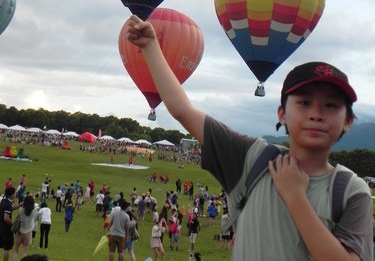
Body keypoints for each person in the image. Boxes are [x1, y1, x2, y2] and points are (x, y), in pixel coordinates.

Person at [125, 15, 373, 260]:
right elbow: (183, 111)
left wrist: (295, 196)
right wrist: (150, 46)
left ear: (348, 120)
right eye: (304, 103)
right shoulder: (253, 157)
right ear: (282, 113)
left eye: (330, 106)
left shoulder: (351, 191)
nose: (316, 114)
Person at [12, 195, 38, 260]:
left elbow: (19, 217)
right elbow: (36, 206)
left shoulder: (21, 209)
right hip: (28, 232)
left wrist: (22, 204)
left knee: (16, 251)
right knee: (24, 251)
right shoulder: (34, 210)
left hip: (20, 231)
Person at [0, 187, 22, 261]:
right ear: (11, 194)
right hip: (6, 230)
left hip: (1, 227)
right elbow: (6, 218)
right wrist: (13, 224)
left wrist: (19, 205)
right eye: (15, 193)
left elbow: (10, 209)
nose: (15, 194)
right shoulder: (8, 204)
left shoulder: (4, 201)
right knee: (7, 248)